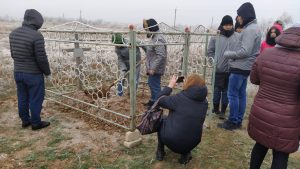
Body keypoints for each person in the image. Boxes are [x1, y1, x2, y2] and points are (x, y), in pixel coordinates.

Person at [248, 24, 300, 169]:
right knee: (281, 154)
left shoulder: (266, 54)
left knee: (260, 145)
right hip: (288, 119)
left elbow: (254, 79)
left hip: (262, 112)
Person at [218, 2, 262, 130]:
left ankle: (233, 121)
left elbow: (245, 51)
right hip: (245, 67)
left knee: (232, 94)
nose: (237, 18)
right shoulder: (254, 28)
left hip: (239, 67)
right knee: (241, 94)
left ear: (245, 14)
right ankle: (237, 120)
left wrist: (228, 54)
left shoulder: (250, 29)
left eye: (239, 15)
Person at [9, 9, 51, 130]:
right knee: (36, 98)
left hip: (18, 72)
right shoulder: (37, 36)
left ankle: (25, 121)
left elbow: (13, 54)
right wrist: (47, 73)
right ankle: (36, 123)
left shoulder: (13, 34)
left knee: (22, 97)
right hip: (33, 74)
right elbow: (41, 58)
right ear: (36, 22)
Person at [155, 74, 208, 164]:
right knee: (188, 124)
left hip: (172, 141)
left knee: (162, 118)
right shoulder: (205, 102)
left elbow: (159, 99)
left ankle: (160, 150)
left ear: (189, 84)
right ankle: (185, 153)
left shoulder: (179, 98)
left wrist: (170, 85)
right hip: (193, 142)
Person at [208, 15, 240, 119]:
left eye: (230, 25)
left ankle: (223, 111)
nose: (228, 27)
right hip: (218, 68)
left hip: (231, 69)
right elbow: (210, 51)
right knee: (217, 90)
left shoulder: (236, 36)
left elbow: (240, 51)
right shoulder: (215, 36)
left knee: (227, 91)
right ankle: (216, 108)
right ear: (222, 25)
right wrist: (214, 62)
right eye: (226, 25)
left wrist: (235, 62)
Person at [143, 18, 167, 108]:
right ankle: (153, 100)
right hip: (152, 67)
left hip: (155, 68)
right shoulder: (155, 37)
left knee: (155, 86)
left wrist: (153, 68)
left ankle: (157, 105)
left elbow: (161, 55)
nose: (146, 32)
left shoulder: (158, 38)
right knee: (152, 84)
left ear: (151, 28)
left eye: (147, 29)